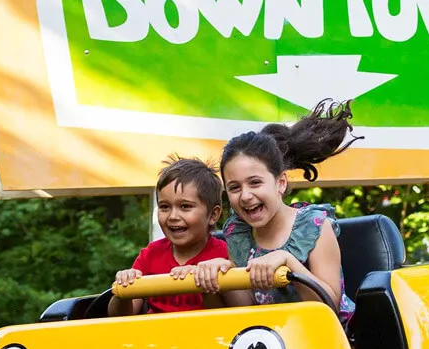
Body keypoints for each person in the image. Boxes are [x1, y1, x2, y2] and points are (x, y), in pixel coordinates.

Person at [191, 100, 359, 322]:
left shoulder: (314, 227)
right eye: (234, 187)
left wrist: (287, 260)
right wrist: (219, 277)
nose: (245, 196)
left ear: (280, 183)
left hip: (325, 339)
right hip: (271, 340)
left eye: (255, 183)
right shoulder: (237, 231)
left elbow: (329, 308)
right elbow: (247, 306)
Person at [108, 156, 227, 316]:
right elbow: (119, 318)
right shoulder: (151, 254)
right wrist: (123, 289)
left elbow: (228, 317)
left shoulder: (224, 256)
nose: (173, 216)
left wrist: (204, 281)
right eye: (165, 207)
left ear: (213, 215)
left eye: (185, 206)